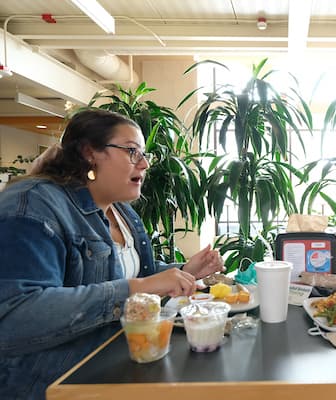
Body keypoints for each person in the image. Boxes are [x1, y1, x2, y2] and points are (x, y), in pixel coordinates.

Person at [0, 109, 224, 399]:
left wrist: (186, 271)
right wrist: (136, 290)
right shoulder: (31, 206)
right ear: (89, 153)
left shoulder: (122, 212)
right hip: (53, 385)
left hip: (117, 370)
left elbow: (136, 275)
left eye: (144, 154)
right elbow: (17, 316)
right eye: (131, 151)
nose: (144, 164)